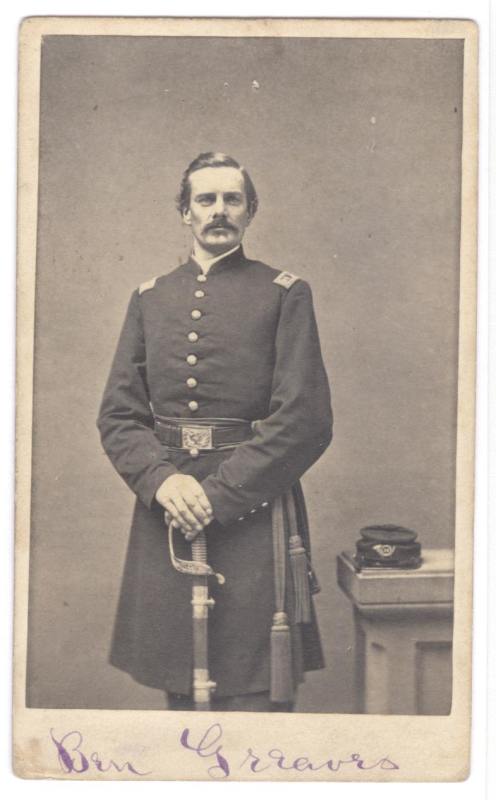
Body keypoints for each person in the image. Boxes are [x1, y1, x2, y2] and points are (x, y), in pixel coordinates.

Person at [97, 152, 333, 712]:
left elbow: (305, 418)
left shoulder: (284, 293)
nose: (219, 210)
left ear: (251, 210)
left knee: (254, 697)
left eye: (232, 199)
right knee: (182, 695)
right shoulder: (150, 297)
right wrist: (162, 482)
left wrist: (219, 496)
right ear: (185, 211)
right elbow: (118, 414)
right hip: (169, 508)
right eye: (205, 199)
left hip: (253, 509)